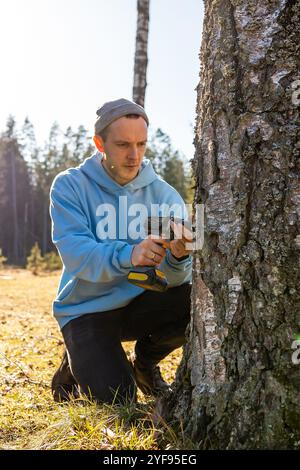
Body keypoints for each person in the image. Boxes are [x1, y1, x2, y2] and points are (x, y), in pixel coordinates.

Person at [50, 98, 192, 405]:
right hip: (85, 309)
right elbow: (77, 255)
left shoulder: (165, 194)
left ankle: (145, 364)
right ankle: (76, 356)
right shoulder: (70, 186)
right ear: (99, 143)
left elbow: (174, 280)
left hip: (139, 303)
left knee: (194, 302)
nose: (134, 155)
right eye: (123, 144)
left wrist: (178, 258)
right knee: (118, 401)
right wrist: (130, 255)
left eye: (141, 144)